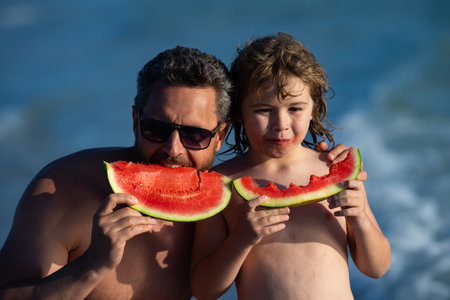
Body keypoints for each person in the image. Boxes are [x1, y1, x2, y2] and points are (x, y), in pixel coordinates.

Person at [0, 45, 353, 299]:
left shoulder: (231, 200)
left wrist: (326, 169)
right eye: (156, 129)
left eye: (195, 135)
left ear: (221, 136)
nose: (173, 149)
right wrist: (91, 266)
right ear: (136, 120)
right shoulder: (61, 189)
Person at [190, 33, 390, 300]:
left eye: (295, 108)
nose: (280, 124)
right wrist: (240, 240)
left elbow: (376, 267)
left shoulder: (333, 169)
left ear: (313, 108)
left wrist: (360, 218)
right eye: (263, 110)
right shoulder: (221, 183)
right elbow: (204, 289)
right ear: (238, 112)